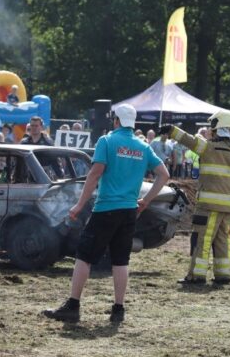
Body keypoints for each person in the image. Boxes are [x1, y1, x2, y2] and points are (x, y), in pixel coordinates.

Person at [42, 104, 169, 324]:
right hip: (130, 211)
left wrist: (80, 205)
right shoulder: (143, 146)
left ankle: (73, 305)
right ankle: (118, 309)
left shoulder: (107, 141)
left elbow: (94, 174)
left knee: (84, 256)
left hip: (106, 209)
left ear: (116, 120)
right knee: (121, 260)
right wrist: (146, 201)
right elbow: (164, 174)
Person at [160, 111, 230, 285]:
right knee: (222, 240)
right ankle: (223, 275)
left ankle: (196, 275)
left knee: (202, 239)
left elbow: (189, 140)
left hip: (208, 205)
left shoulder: (208, 148)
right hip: (227, 206)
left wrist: (171, 130)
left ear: (216, 128)